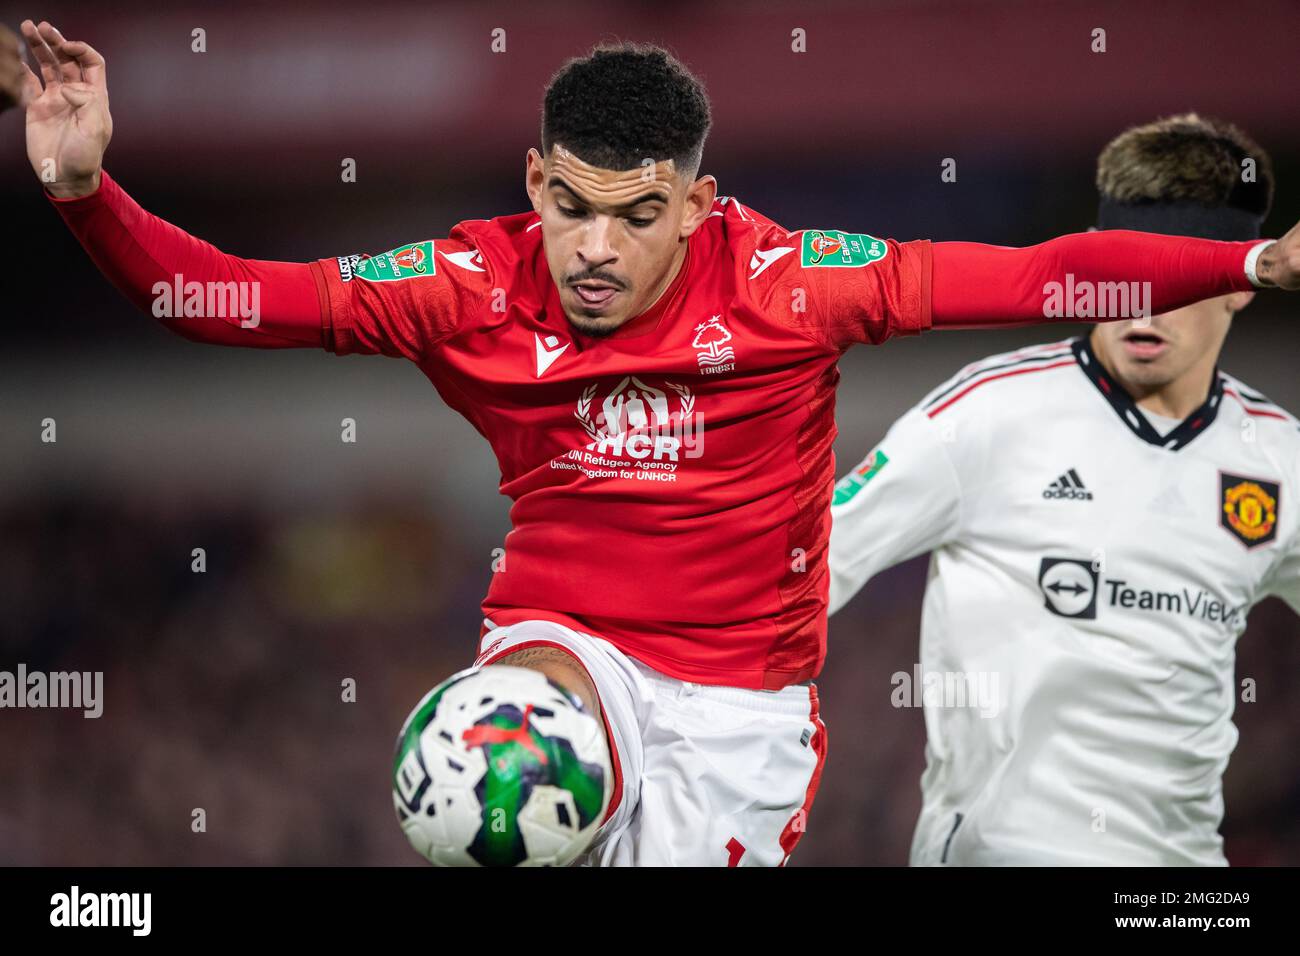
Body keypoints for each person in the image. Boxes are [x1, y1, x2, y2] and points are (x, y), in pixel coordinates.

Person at [20, 17, 1300, 865]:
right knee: (485, 766)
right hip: (561, 644)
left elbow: (1038, 275)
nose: (592, 248)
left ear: (694, 201)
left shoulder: (790, 284)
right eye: (568, 206)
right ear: (534, 182)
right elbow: (234, 296)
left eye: (634, 217)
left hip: (740, 710)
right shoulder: (467, 285)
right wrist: (86, 191)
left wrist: (1251, 258)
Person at [827, 114, 1300, 865]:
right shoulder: (984, 414)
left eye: (1179, 276)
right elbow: (803, 568)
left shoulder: (1281, 459)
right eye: (1125, 274)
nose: (1143, 302)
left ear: (1240, 283)